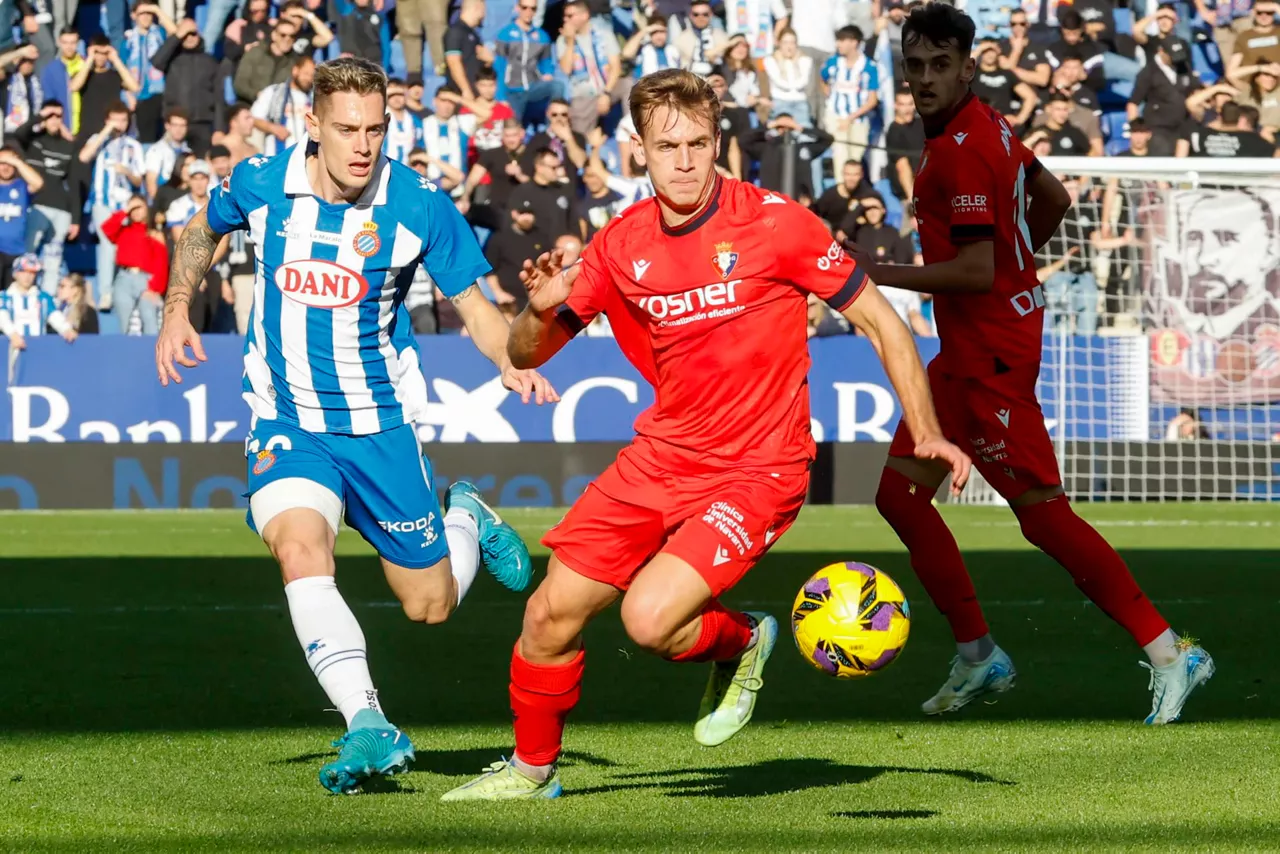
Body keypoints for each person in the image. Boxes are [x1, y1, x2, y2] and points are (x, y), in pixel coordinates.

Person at [441, 68, 969, 802]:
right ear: (639, 153)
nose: (685, 161)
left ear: (719, 142)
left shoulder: (777, 223)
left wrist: (929, 430)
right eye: (667, 146)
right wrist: (540, 307)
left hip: (759, 468)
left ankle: (742, 639)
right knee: (547, 614)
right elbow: (528, 353)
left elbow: (881, 320)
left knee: (649, 621)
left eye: (698, 143)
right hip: (662, 456)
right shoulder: (620, 246)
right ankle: (532, 772)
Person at [153, 57, 559, 795]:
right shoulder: (261, 180)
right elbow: (197, 231)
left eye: (376, 129)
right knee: (299, 549)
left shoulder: (417, 205)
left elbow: (473, 305)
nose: (363, 145)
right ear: (313, 126)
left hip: (379, 427)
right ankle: (367, 722)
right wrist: (178, 305)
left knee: (430, 605)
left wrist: (513, 357)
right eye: (346, 130)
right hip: (286, 420)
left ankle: (462, 513)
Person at [845, 4, 1214, 726]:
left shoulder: (960, 151)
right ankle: (980, 658)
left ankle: (1172, 653)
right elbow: (1054, 198)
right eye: (914, 66)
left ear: (967, 66)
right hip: (971, 349)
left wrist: (876, 271)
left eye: (939, 65)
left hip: (990, 357)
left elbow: (977, 270)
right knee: (898, 496)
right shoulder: (985, 124)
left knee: (1043, 517)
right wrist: (1018, 266)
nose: (924, 79)